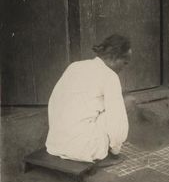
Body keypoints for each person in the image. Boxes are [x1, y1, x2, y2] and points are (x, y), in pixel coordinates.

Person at [45, 34, 132, 166]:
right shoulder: (110, 76)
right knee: (118, 108)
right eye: (125, 63)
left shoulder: (74, 66)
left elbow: (54, 102)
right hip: (84, 150)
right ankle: (106, 154)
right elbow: (117, 121)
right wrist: (115, 151)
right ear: (115, 57)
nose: (124, 67)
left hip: (54, 143)